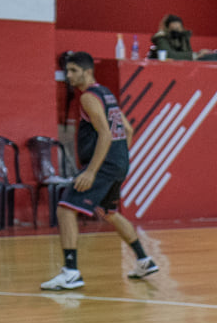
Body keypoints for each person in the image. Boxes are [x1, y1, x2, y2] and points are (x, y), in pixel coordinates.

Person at [40, 52, 158, 291]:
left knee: (65, 209)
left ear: (87, 71)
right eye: (67, 71)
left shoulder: (88, 98)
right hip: (117, 163)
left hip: (103, 165)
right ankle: (144, 260)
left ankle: (71, 272)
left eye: (74, 70)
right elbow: (128, 129)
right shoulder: (106, 93)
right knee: (109, 212)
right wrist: (120, 157)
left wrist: (91, 172)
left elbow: (105, 133)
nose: (69, 76)